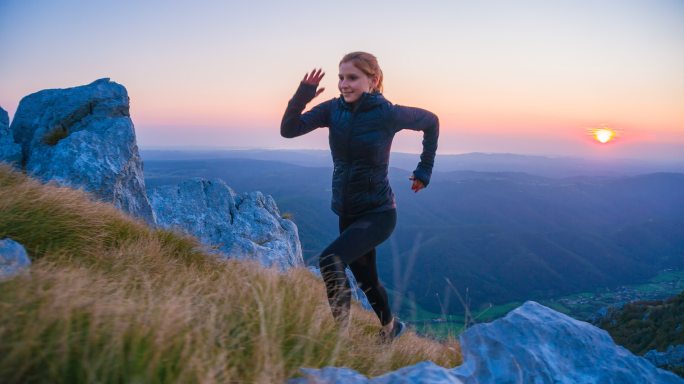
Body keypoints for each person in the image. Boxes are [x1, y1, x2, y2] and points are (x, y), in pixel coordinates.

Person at [280, 52, 438, 342]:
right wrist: (303, 94)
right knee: (366, 279)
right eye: (341, 77)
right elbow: (288, 130)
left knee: (330, 260)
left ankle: (340, 340)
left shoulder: (388, 113)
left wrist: (424, 170)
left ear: (373, 80)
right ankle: (391, 329)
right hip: (347, 211)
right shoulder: (331, 110)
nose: (344, 84)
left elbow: (431, 121)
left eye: (352, 78)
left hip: (379, 213)